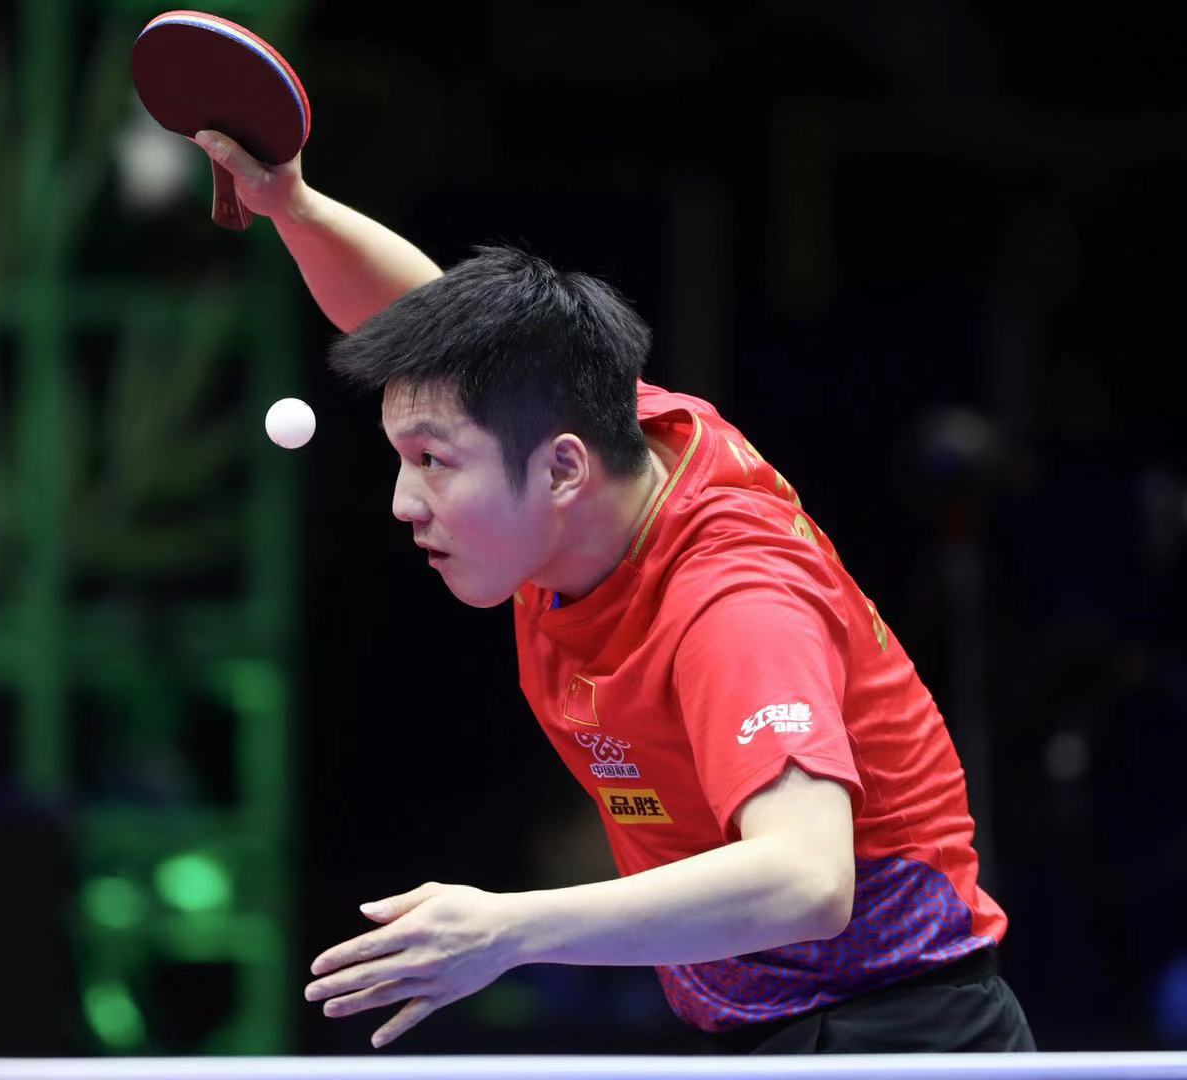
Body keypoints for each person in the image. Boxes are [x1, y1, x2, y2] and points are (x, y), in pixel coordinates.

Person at [189, 129, 1037, 1055]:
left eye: (433, 462)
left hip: (898, 1037)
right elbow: (437, 329)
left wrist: (508, 930)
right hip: (767, 1026)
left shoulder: (734, 603)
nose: (404, 503)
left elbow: (809, 881)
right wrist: (294, 207)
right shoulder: (588, 437)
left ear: (562, 472)